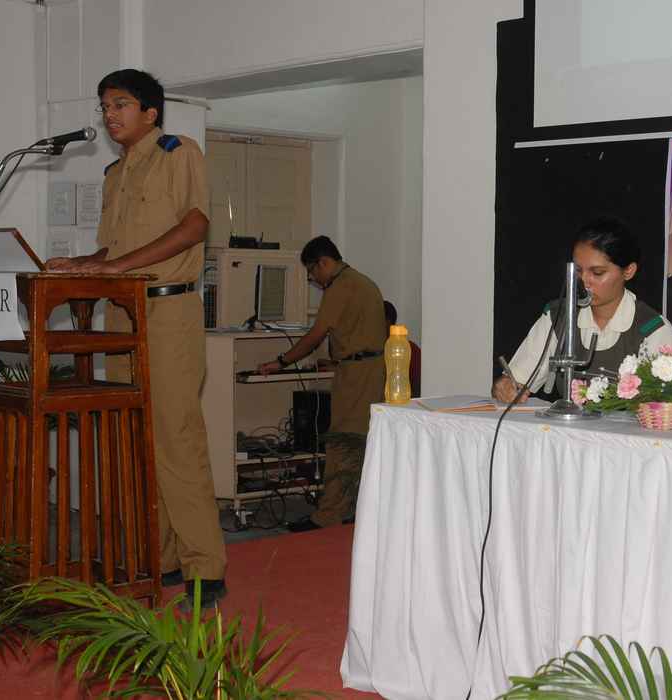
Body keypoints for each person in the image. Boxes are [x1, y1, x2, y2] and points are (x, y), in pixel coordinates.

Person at [45, 69, 227, 604]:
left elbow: (194, 226)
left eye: (121, 104)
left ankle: (205, 568)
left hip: (168, 312)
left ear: (150, 112)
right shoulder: (114, 173)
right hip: (121, 316)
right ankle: (162, 559)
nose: (110, 114)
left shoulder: (179, 153)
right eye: (104, 106)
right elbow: (115, 250)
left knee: (176, 439)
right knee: (136, 442)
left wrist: (116, 266)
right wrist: (84, 264)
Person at [256, 236, 386, 531]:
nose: (313, 279)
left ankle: (328, 515)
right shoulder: (361, 281)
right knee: (360, 443)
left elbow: (316, 334)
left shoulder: (340, 286)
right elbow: (358, 334)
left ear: (323, 263)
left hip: (358, 375)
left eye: (312, 272)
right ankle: (353, 509)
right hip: (369, 369)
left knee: (342, 442)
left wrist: (281, 362)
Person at [492, 216, 672, 402]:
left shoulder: (654, 331)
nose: (584, 281)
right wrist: (505, 387)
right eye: (578, 271)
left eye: (597, 273)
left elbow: (663, 408)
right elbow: (517, 380)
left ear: (628, 271)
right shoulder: (558, 317)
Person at [383, 300, 422, 398]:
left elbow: (419, 388)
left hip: (401, 403)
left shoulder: (410, 349)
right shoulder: (368, 354)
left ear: (388, 322)